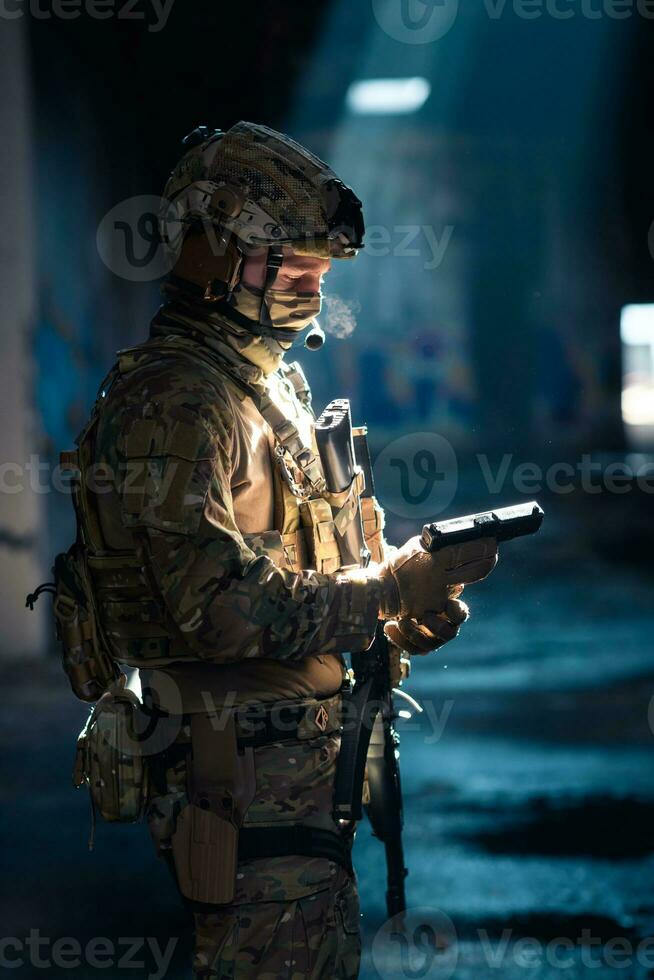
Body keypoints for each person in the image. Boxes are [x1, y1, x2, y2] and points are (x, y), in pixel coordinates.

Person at [79, 121, 497, 979]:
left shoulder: (269, 389)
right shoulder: (177, 405)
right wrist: (390, 588)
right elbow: (223, 614)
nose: (311, 289)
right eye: (291, 267)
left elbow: (326, 570)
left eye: (320, 272)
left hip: (306, 772)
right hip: (238, 784)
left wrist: (412, 609)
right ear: (215, 256)